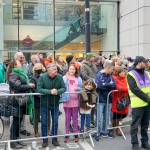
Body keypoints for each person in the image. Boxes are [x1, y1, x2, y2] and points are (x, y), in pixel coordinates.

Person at [6, 59, 35, 149]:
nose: (21, 64)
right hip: (16, 101)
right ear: (14, 65)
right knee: (15, 122)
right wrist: (29, 86)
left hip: (21, 101)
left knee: (19, 121)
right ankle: (13, 142)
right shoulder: (13, 74)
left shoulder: (20, 73)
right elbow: (18, 86)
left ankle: (17, 139)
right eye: (19, 63)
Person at [37, 63, 66, 148]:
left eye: (56, 69)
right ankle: (45, 140)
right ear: (49, 71)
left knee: (55, 122)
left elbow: (64, 88)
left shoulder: (59, 77)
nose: (56, 70)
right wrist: (50, 92)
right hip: (44, 103)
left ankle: (54, 139)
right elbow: (38, 89)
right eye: (54, 69)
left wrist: (57, 91)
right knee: (44, 122)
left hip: (55, 103)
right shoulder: (42, 77)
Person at [127, 56, 150, 150]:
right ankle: (135, 144)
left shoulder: (147, 73)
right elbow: (134, 89)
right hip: (138, 104)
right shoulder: (131, 74)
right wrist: (147, 99)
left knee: (145, 125)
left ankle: (145, 142)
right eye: (145, 62)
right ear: (140, 63)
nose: (147, 64)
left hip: (147, 104)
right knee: (135, 125)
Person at [95, 61, 116, 141]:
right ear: (107, 68)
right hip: (100, 99)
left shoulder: (110, 76)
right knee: (99, 117)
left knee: (106, 117)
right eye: (111, 69)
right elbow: (99, 86)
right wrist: (108, 85)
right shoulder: (98, 75)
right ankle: (97, 132)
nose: (112, 71)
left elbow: (114, 85)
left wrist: (105, 84)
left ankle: (105, 132)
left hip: (108, 99)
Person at [62, 65, 82, 143]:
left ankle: (76, 134)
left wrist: (78, 89)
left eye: (73, 69)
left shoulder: (79, 78)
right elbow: (62, 87)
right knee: (67, 118)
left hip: (75, 101)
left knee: (75, 118)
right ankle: (67, 134)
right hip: (66, 101)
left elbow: (82, 88)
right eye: (70, 69)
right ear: (68, 70)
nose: (72, 70)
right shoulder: (64, 77)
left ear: (75, 70)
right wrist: (67, 79)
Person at [14, 51, 31, 136]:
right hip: (16, 94)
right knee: (15, 115)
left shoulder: (26, 67)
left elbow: (29, 76)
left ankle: (22, 128)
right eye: (21, 57)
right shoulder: (12, 67)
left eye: (23, 57)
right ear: (16, 58)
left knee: (22, 113)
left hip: (24, 93)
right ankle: (14, 134)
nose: (23, 59)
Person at [30, 63, 47, 137]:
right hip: (37, 98)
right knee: (36, 116)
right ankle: (36, 131)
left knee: (47, 115)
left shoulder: (46, 76)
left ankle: (48, 129)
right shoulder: (33, 78)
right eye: (36, 68)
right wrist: (40, 95)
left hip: (45, 98)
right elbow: (33, 89)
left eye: (39, 67)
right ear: (34, 69)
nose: (38, 69)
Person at [112, 66, 129, 136]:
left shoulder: (125, 78)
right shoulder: (114, 78)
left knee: (124, 114)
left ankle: (115, 125)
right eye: (122, 71)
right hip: (117, 98)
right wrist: (127, 88)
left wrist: (126, 88)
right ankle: (117, 129)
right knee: (117, 114)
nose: (124, 72)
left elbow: (128, 85)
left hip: (124, 98)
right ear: (118, 73)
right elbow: (118, 87)